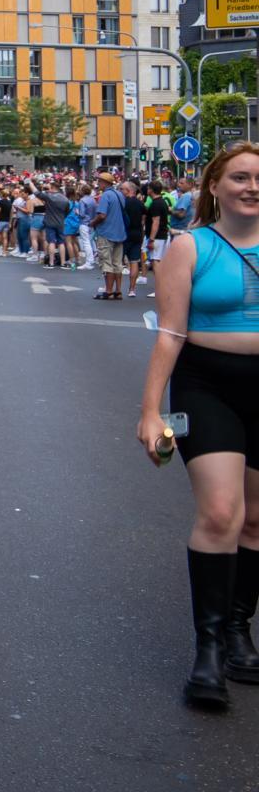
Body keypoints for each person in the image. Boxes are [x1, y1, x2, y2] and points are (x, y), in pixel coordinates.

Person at [135, 142, 259, 709]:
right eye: (239, 177)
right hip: (208, 385)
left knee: (256, 522)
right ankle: (207, 649)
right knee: (219, 513)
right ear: (214, 186)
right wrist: (150, 410)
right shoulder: (190, 246)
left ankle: (238, 630)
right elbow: (170, 331)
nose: (251, 186)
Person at [91, 172, 130, 300]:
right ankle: (118, 290)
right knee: (117, 263)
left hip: (106, 232)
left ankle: (108, 290)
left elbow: (102, 215)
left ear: (104, 182)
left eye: (100, 181)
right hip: (120, 232)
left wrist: (93, 223)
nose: (98, 184)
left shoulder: (105, 196)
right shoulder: (120, 195)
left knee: (106, 262)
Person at [147, 180, 175, 296]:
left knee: (156, 262)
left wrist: (151, 239)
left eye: (148, 188)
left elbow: (155, 222)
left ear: (151, 190)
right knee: (159, 261)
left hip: (158, 236)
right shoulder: (162, 202)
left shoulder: (156, 204)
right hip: (163, 234)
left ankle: (159, 288)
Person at [35, 181, 70, 271]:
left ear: (53, 187)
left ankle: (51, 263)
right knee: (61, 242)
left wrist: (30, 182)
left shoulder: (49, 196)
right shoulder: (65, 199)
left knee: (51, 242)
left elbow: (36, 193)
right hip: (60, 222)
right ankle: (63, 263)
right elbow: (67, 211)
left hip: (50, 221)